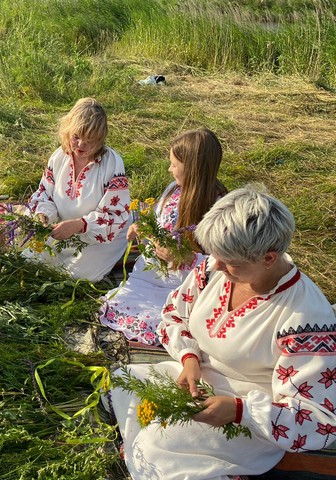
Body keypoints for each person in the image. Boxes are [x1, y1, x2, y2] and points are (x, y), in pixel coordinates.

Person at [105, 186, 336, 479]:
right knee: (124, 382)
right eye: (215, 256)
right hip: (200, 378)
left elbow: (317, 421)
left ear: (269, 258)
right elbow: (175, 313)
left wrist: (241, 411)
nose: (216, 266)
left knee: (155, 447)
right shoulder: (215, 271)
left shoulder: (306, 319)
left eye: (231, 263)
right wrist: (189, 359)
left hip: (250, 413)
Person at [99, 128, 227, 345]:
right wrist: (143, 229)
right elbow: (161, 224)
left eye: (174, 165)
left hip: (183, 280)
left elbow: (224, 263)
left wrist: (185, 258)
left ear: (193, 168)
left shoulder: (219, 208)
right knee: (117, 303)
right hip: (155, 272)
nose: (169, 169)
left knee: (165, 319)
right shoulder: (173, 190)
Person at [27, 97, 130, 282]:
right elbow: (45, 194)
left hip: (100, 237)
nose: (81, 144)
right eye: (76, 137)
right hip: (61, 230)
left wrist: (81, 225)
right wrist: (44, 215)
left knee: (75, 277)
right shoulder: (59, 157)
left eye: (89, 140)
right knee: (30, 263)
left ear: (100, 139)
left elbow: (115, 216)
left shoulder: (112, 164)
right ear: (67, 131)